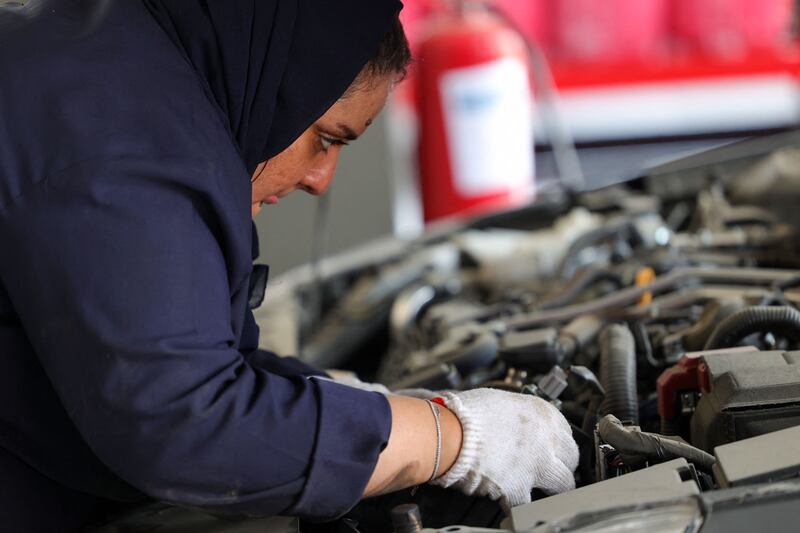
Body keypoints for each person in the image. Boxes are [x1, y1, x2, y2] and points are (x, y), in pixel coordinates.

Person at [0, 1, 579, 531]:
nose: (319, 179)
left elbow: (185, 353)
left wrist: (357, 403)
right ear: (286, 83)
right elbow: (190, 422)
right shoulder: (120, 139)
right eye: (326, 138)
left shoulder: (129, 66)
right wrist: (454, 440)